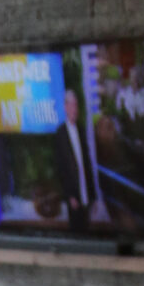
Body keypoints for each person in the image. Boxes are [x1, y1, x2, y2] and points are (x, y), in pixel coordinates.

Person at [52, 84, 95, 233]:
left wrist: (92, 193)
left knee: (87, 227)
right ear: (65, 107)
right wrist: (70, 196)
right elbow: (61, 169)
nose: (74, 109)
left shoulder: (81, 130)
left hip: (85, 191)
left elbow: (86, 163)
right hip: (73, 195)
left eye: (76, 105)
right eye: (71, 105)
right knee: (77, 230)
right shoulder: (60, 134)